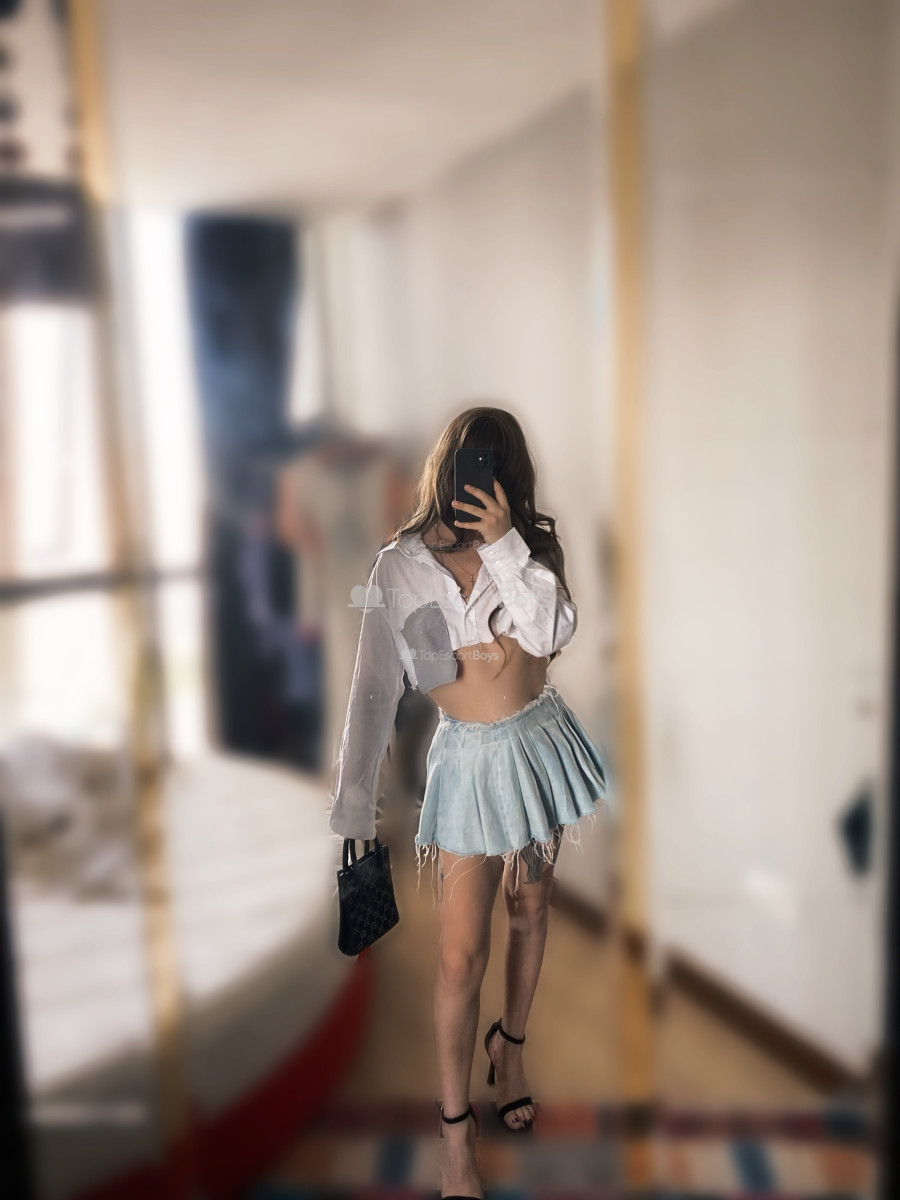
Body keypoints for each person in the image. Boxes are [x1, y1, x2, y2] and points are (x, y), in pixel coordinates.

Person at [327, 406, 609, 1200]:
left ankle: (508, 1048)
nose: (476, 480)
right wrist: (354, 806)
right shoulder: (397, 568)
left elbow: (551, 633)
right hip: (467, 766)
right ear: (444, 471)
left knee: (531, 909)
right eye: (465, 465)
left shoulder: (529, 551)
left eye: (493, 467)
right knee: (458, 957)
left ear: (508, 479)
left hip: (536, 747)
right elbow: (373, 690)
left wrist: (504, 542)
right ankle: (456, 1137)